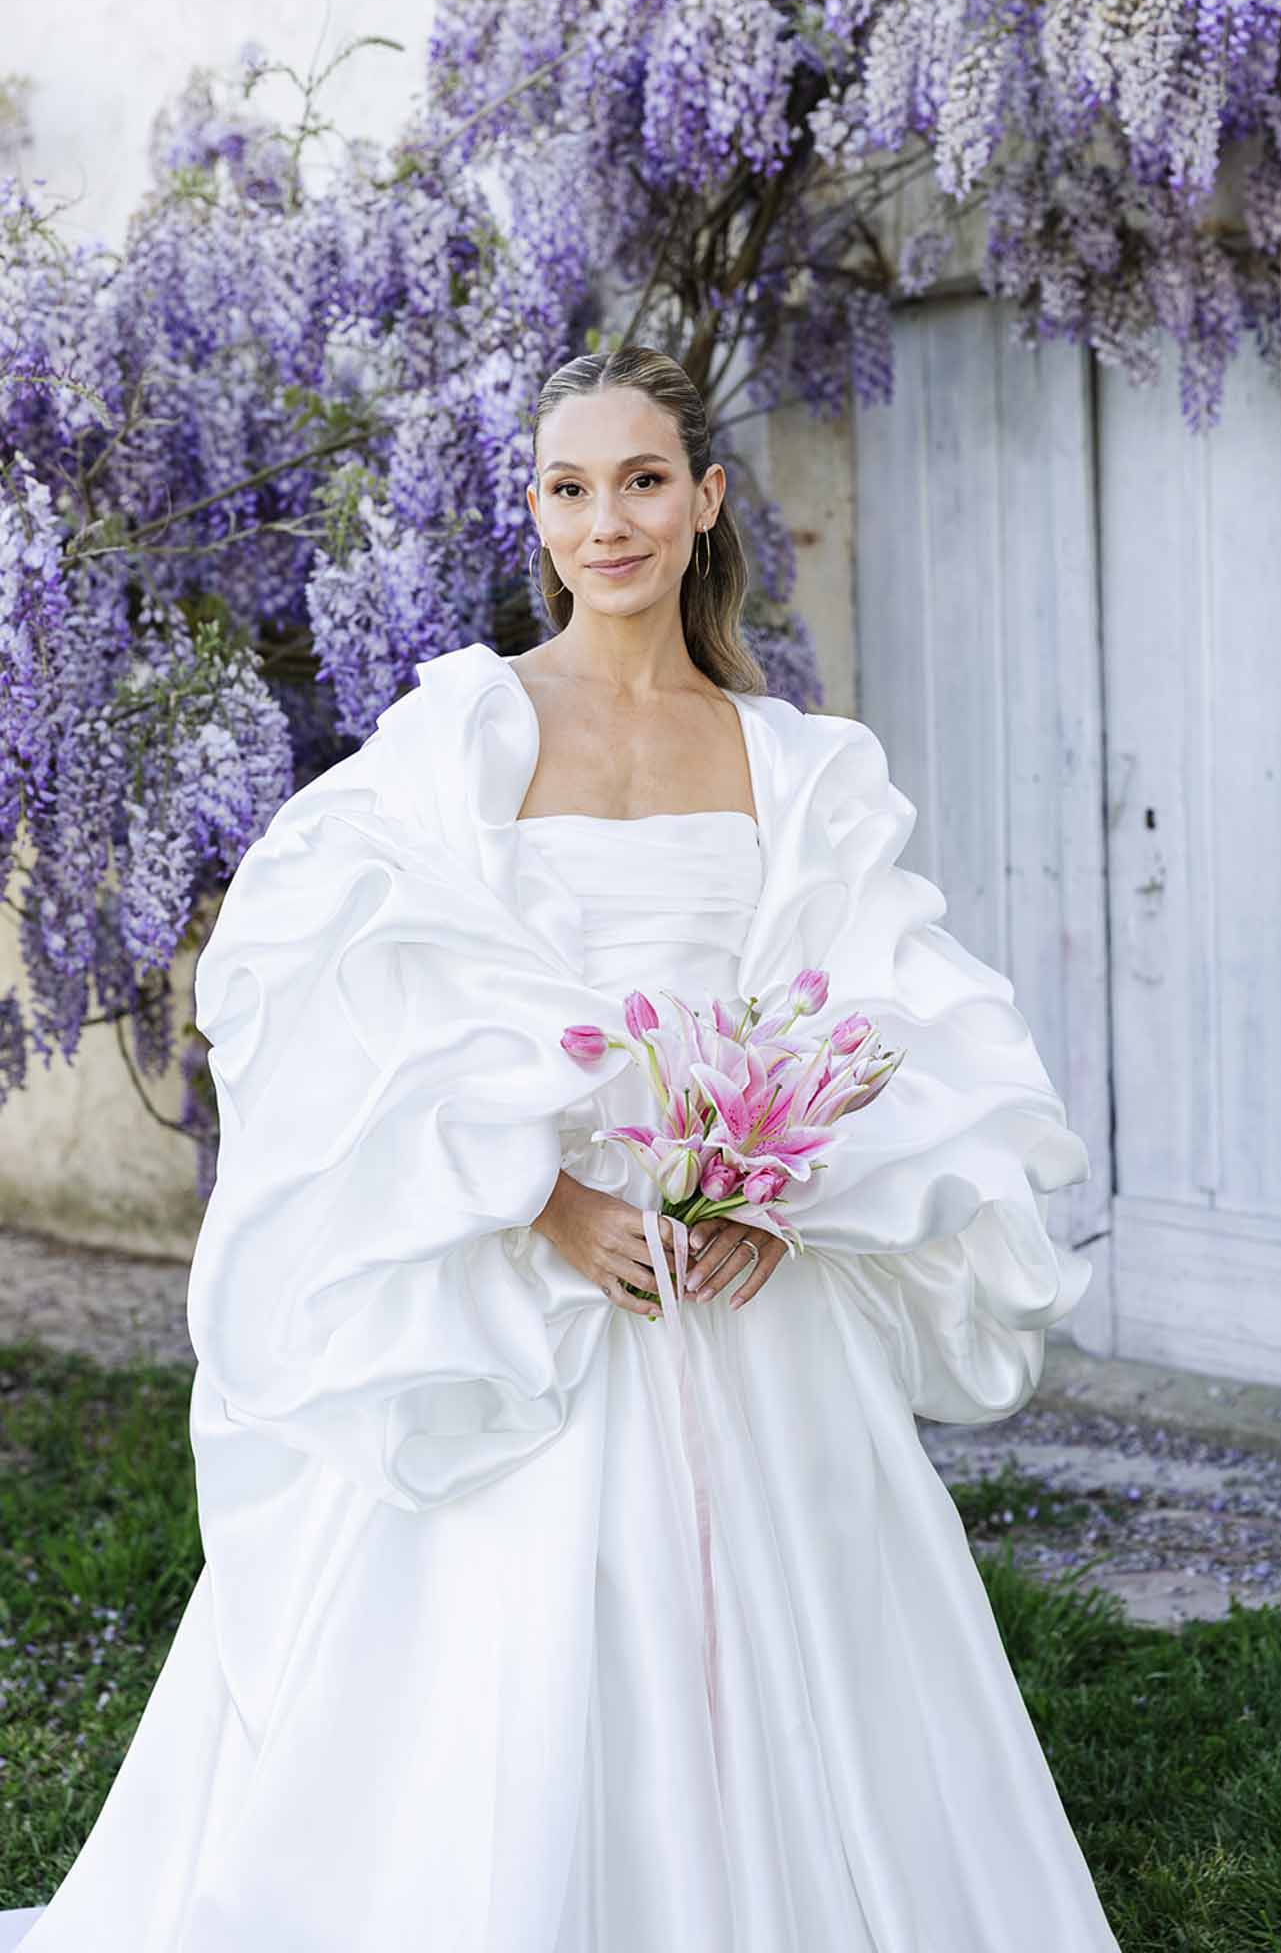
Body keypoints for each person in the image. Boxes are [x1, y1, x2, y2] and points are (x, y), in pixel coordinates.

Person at [2, 345, 1123, 1951]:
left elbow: (889, 1008)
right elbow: (330, 985)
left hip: (740, 1284)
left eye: (643, 481)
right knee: (508, 1641)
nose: (608, 520)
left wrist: (786, 1197)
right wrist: (536, 1197)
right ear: (535, 514)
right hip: (535, 1271)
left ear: (704, 502)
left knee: (785, 1637)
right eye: (569, 486)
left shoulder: (796, 766)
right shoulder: (468, 727)